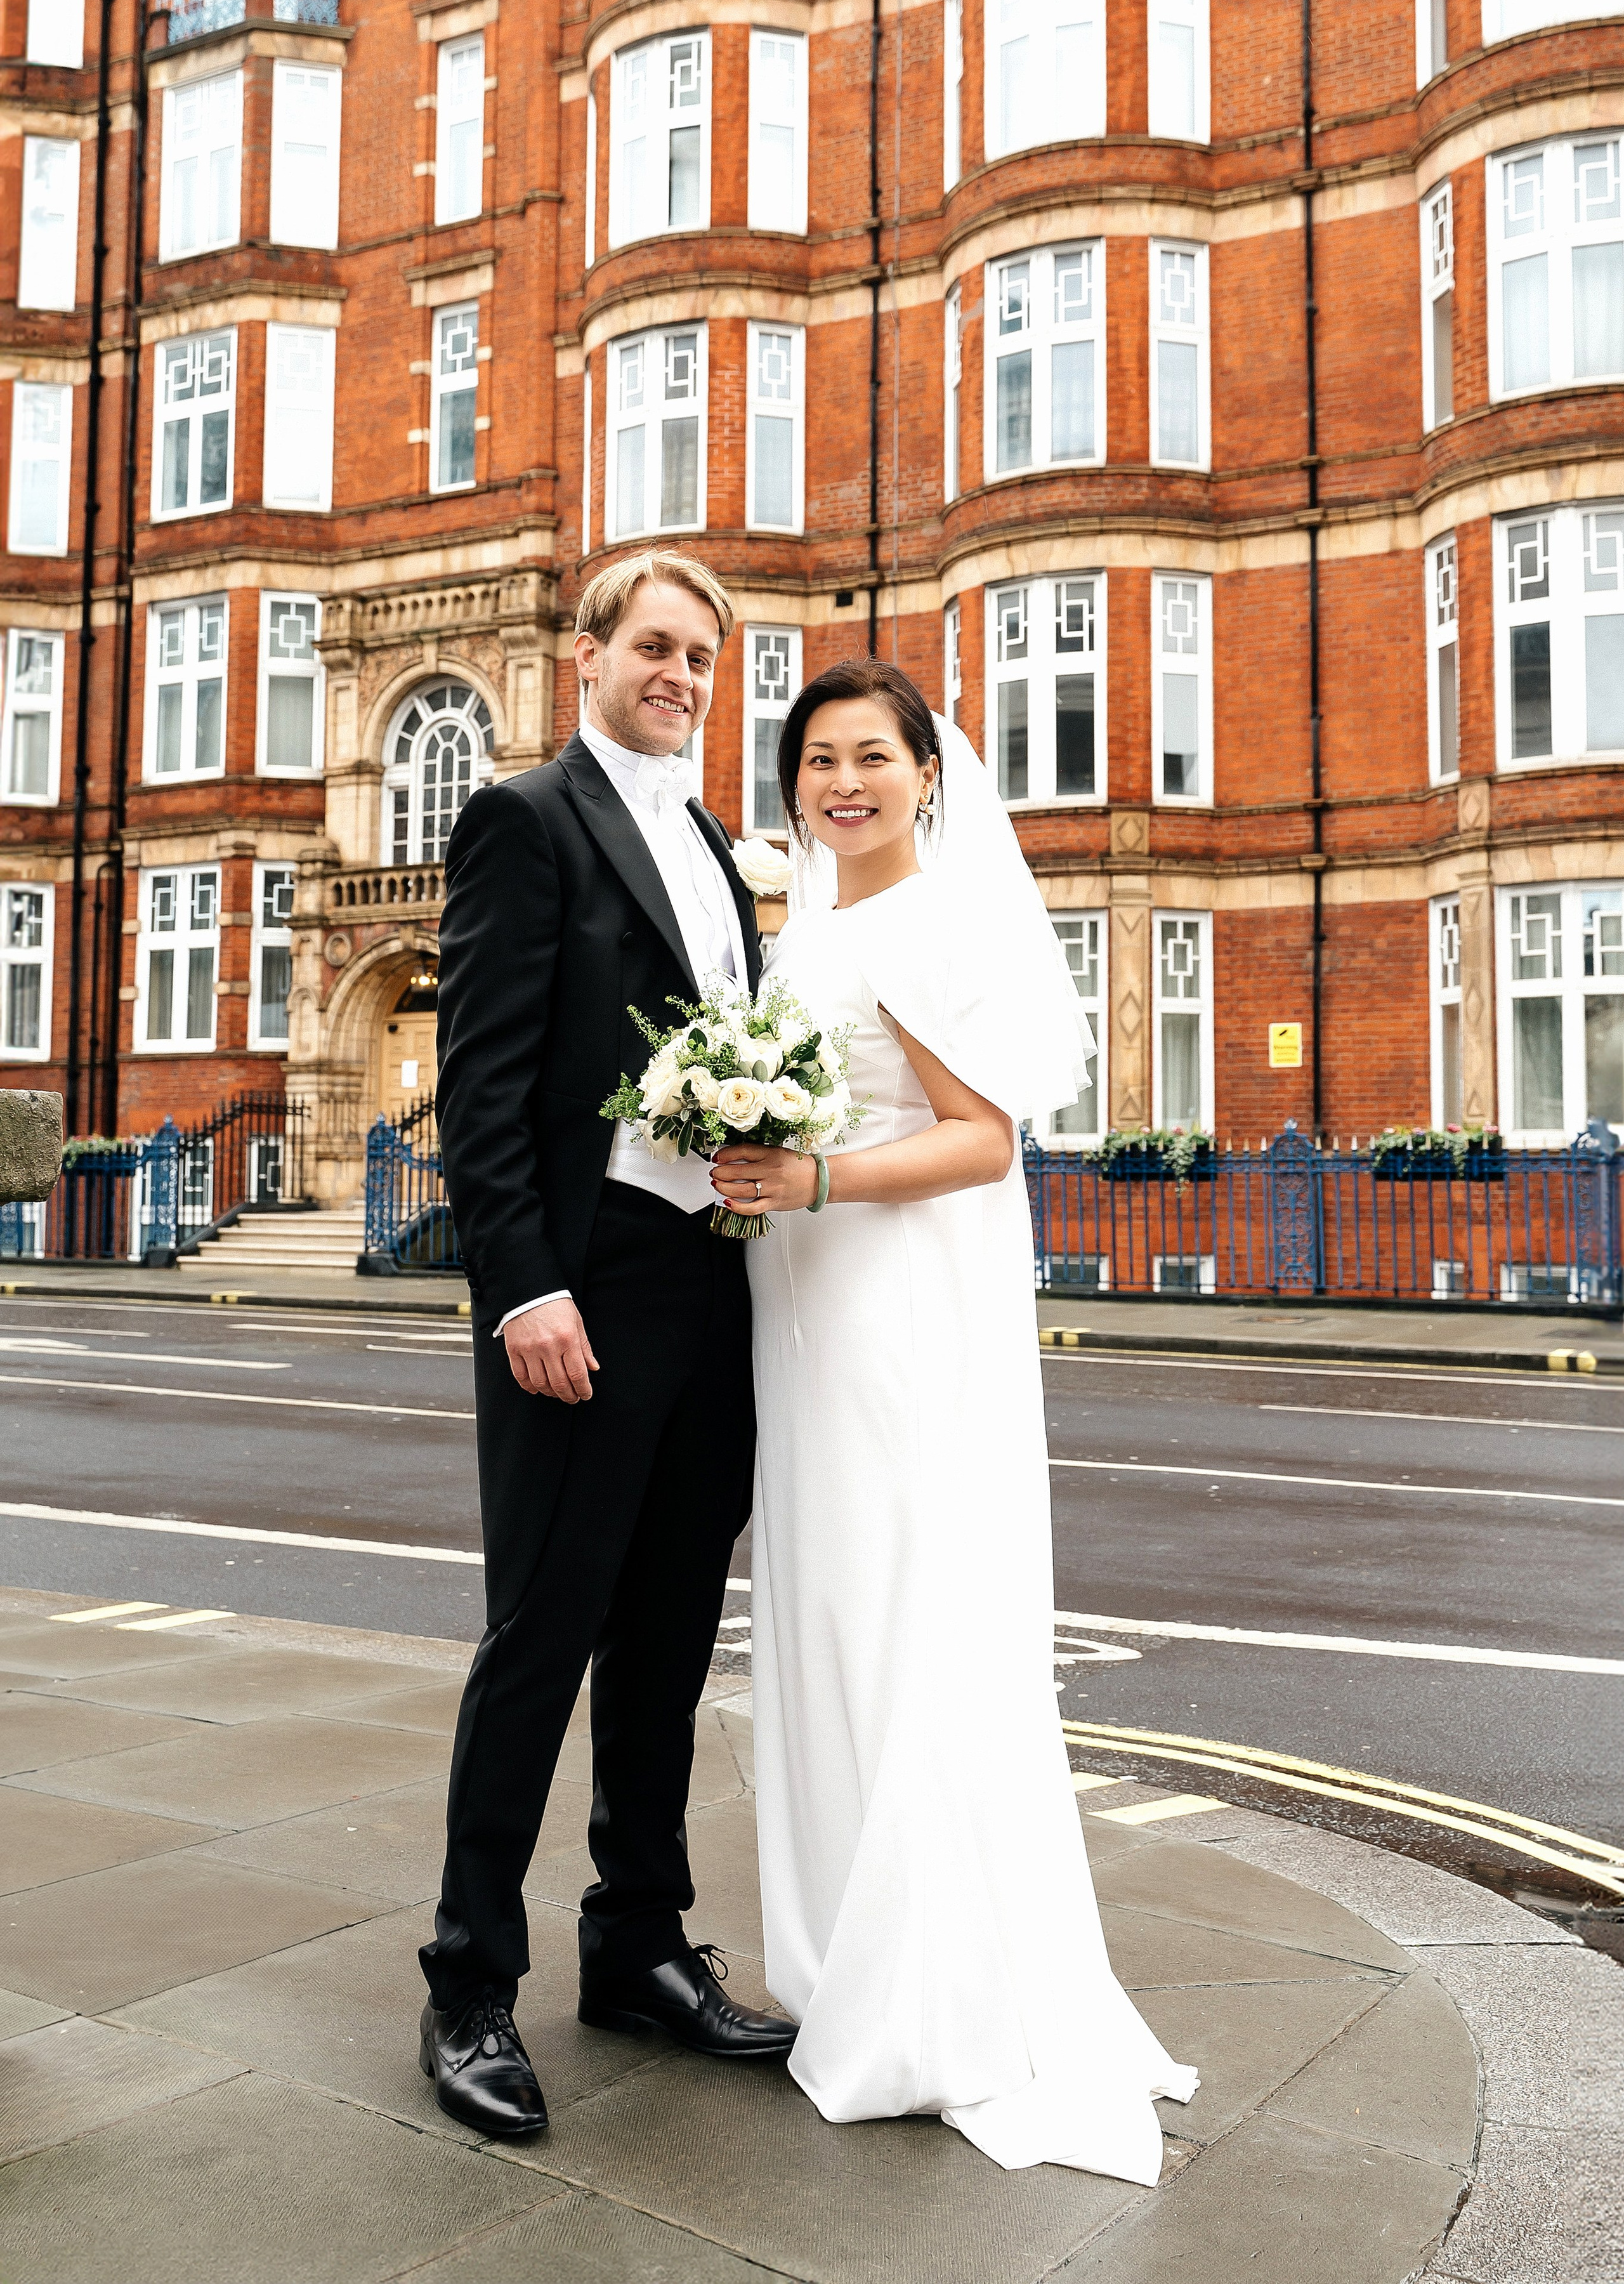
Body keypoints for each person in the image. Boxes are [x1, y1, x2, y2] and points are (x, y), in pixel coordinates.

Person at [709, 660, 1198, 2180]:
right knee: (833, 1610)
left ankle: (932, 1992)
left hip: (894, 1310)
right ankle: (855, 1954)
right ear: (792, 784)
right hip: (802, 1312)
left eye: (872, 755)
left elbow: (982, 1141)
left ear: (929, 772)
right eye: (817, 760)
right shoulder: (811, 924)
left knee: (907, 1613)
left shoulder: (927, 921)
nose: (842, 781)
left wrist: (814, 1179)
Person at [418, 549, 797, 2139]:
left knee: (661, 1639)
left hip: (713, 1289)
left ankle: (636, 1941)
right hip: (583, 1290)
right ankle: (467, 1984)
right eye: (655, 646)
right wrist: (523, 1288)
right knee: (541, 1633)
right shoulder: (525, 817)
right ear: (586, 652)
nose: (683, 675)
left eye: (704, 656)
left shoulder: (717, 844)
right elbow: (483, 1082)